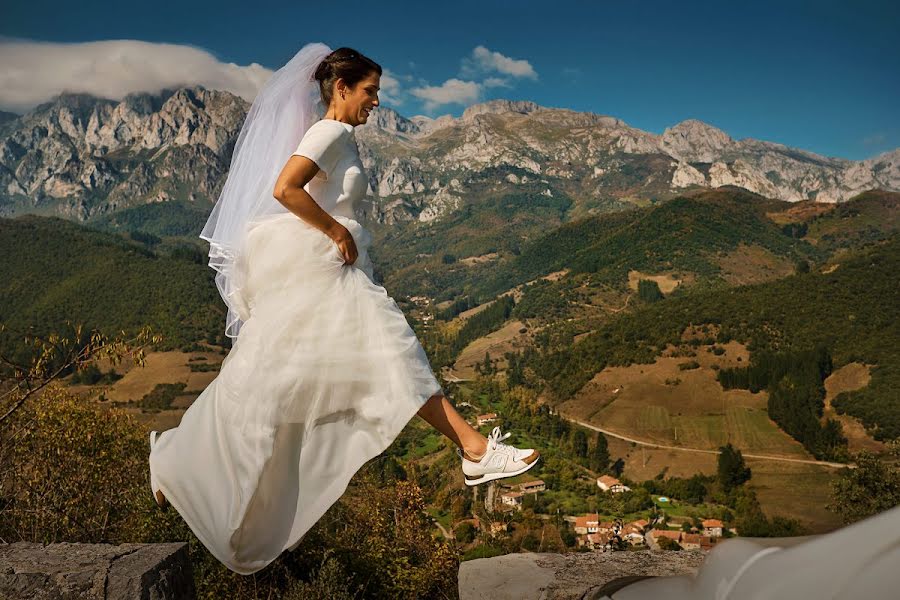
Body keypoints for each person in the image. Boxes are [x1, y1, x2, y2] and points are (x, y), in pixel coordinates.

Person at [147, 42, 540, 575]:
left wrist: (337, 231)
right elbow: (285, 189)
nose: (376, 102)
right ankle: (473, 450)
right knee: (392, 356)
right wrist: (334, 230)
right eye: (371, 91)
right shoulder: (329, 132)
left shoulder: (341, 136)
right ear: (342, 88)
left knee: (271, 390)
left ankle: (175, 460)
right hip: (327, 273)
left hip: (334, 273)